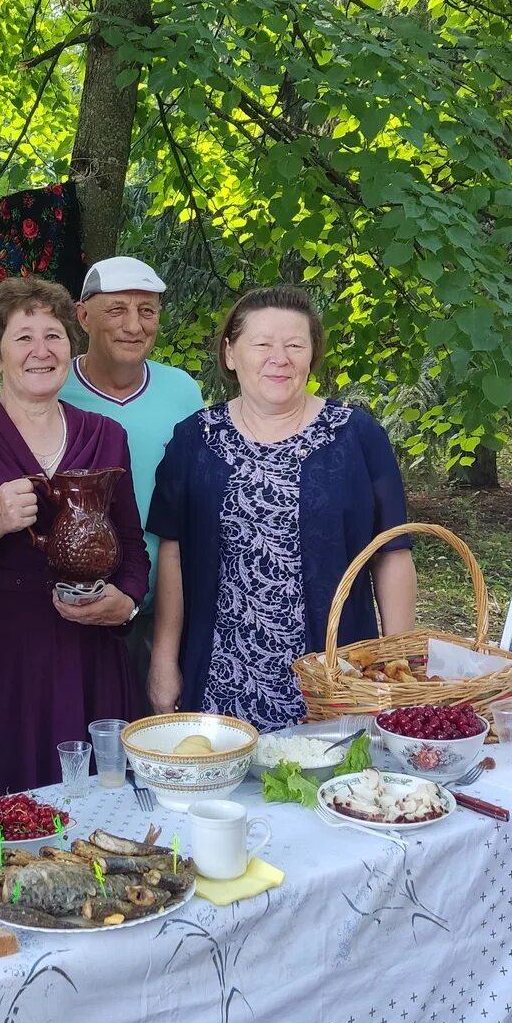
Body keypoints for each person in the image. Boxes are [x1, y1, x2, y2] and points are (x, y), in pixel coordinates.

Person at [0, 277, 149, 805]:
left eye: (54, 336)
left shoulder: (106, 434)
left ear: (71, 346)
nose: (41, 351)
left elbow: (131, 543)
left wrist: (124, 603)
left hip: (86, 649)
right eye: (23, 338)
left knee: (92, 810)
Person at [147, 286, 418, 730]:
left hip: (338, 676)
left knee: (332, 788)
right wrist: (163, 660)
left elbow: (392, 552)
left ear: (312, 355)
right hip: (220, 678)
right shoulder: (194, 440)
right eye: (263, 344)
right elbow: (172, 554)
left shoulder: (357, 437)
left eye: (296, 345)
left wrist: (397, 664)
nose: (281, 358)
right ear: (230, 353)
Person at [57, 256, 204, 708]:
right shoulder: (52, 387)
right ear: (83, 316)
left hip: (170, 603)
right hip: (77, 605)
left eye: (148, 310)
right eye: (117, 309)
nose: (134, 325)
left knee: (163, 732)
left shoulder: (182, 391)